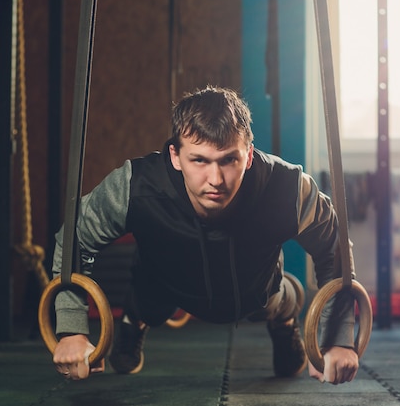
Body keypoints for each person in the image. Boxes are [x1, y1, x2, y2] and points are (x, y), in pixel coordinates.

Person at [51, 86, 359, 384]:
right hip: (168, 284)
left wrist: (338, 337)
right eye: (199, 160)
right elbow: (76, 236)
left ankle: (285, 321)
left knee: (277, 299)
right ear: (175, 156)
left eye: (229, 160)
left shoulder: (288, 188)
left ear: (248, 156)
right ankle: (134, 320)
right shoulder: (136, 186)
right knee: (147, 298)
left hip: (255, 288)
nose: (215, 180)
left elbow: (333, 248)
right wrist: (72, 330)